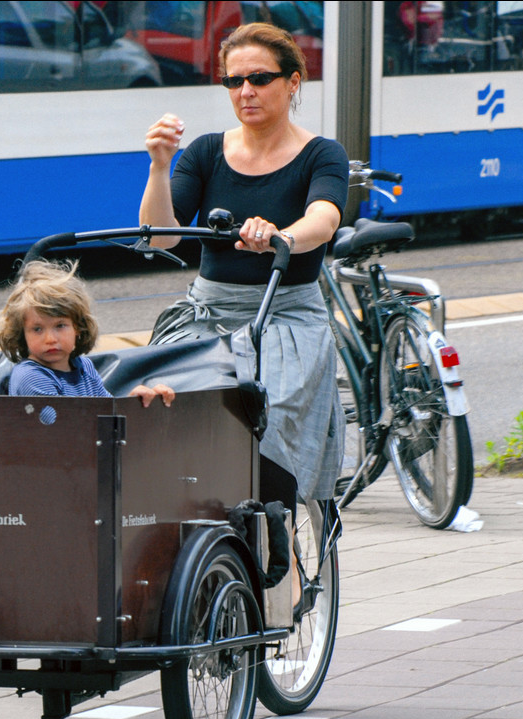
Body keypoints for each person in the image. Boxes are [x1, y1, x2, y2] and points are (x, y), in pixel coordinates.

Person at [137, 21, 348, 509]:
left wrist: (283, 238)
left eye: (259, 79)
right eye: (234, 81)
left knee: (262, 424)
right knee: (157, 406)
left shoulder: (321, 154)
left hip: (286, 317)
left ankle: (282, 551)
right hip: (207, 316)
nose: (245, 91)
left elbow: (324, 217)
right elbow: (160, 236)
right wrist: (160, 166)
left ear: (293, 81)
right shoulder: (208, 151)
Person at [0, 260, 175, 407]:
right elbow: (62, 431)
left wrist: (136, 401)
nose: (50, 339)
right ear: (22, 334)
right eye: (37, 329)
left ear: (78, 327)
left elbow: (108, 411)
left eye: (60, 325)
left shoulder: (83, 366)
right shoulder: (30, 376)